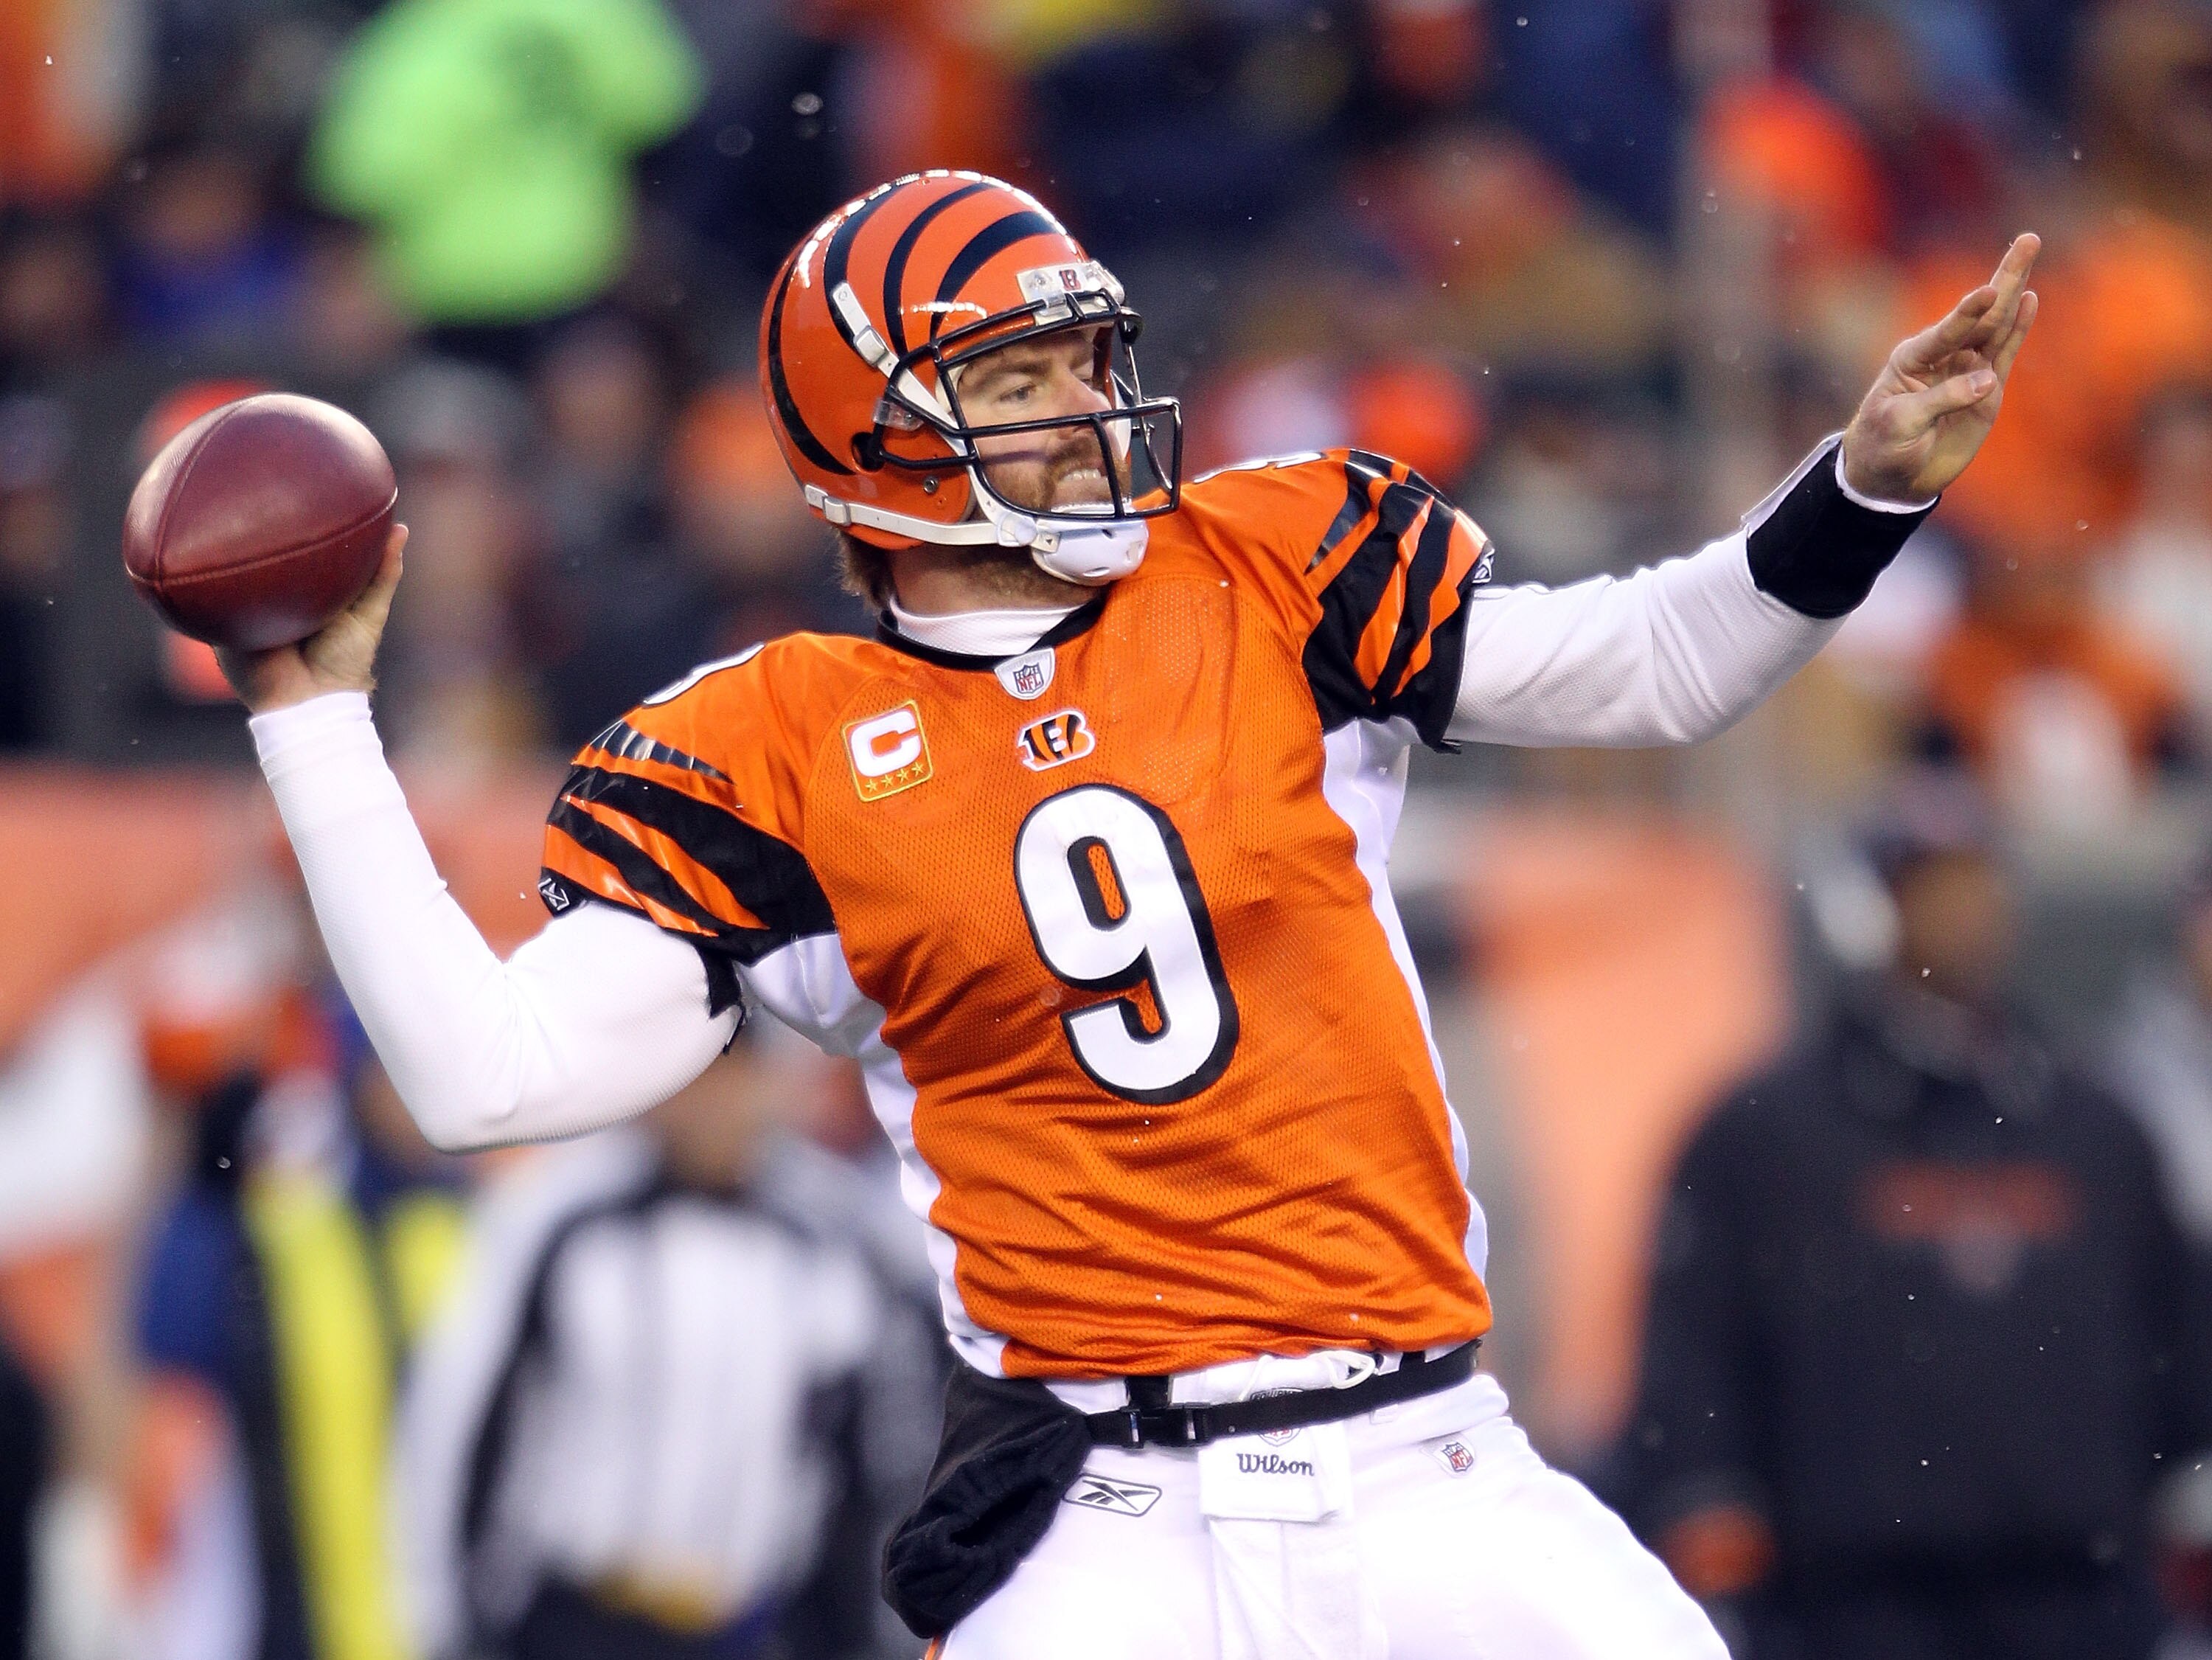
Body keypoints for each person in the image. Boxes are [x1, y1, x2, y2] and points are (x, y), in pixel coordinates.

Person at [223, 173, 2038, 1656]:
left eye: (1090, 357)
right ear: (882, 430)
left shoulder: (1265, 563)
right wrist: (311, 722)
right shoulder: (762, 748)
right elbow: (483, 1078)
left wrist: (1860, 484)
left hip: (1430, 1461)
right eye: (1024, 379)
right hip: (1107, 1525)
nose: (1093, 406)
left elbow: (1643, 665)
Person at [1617, 777, 2212, 1660]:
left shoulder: (2095, 1128)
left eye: (1979, 882)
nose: (1964, 912)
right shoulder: (1770, 1132)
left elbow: (2179, 1341)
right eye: (1932, 885)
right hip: (1851, 1607)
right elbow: (1694, 1355)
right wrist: (1709, 1522)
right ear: (1871, 908)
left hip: (2082, 1599)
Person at [393, 1039, 942, 1660]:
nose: (714, 1105)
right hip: (578, 1618)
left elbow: (886, 1461)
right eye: (695, 1078)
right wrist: (442, 1619)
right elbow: (457, 1425)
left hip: (756, 1625)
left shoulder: (844, 1242)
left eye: (738, 1076)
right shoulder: (555, 1214)